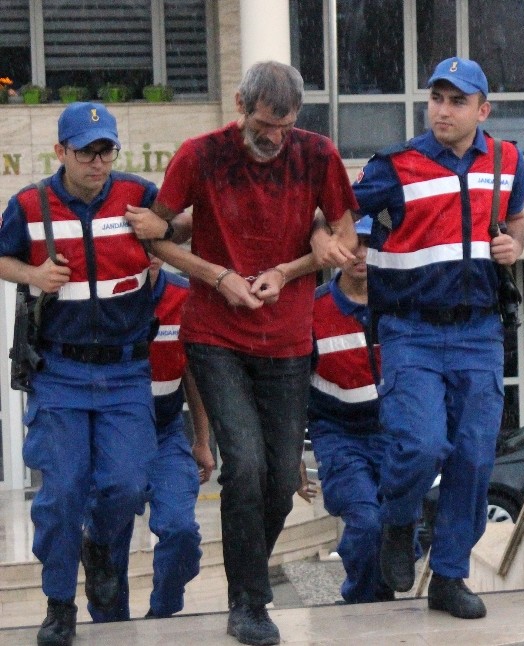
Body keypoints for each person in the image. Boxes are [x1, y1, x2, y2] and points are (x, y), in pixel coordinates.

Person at [127, 61, 358, 646]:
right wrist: (217, 274)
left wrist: (289, 270)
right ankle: (249, 601)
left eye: (282, 127)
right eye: (261, 125)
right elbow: (155, 233)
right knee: (247, 466)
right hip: (215, 335)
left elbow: (346, 237)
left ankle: (248, 576)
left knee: (281, 478)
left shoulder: (318, 154)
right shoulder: (201, 154)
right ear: (238, 105)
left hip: (287, 336)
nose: (271, 139)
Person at [351, 56, 524, 620]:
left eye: (457, 101)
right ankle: (398, 522)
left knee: (475, 459)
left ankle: (448, 576)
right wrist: (346, 241)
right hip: (410, 331)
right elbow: (341, 214)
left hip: (480, 331)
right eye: (437, 99)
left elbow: (517, 217)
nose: (444, 110)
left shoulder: (506, 160)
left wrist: (515, 245)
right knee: (420, 445)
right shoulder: (395, 166)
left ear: (483, 109)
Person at [0, 102, 160, 646]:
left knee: (127, 484)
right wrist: (32, 273)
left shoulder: (138, 196)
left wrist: (161, 231)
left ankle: (100, 545)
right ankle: (60, 602)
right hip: (60, 370)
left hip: (125, 370)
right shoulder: (29, 204)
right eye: (87, 152)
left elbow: (175, 236)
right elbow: (1, 257)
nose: (98, 163)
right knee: (62, 492)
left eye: (106, 151)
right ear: (61, 152)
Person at [84, 249, 216, 623]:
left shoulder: (184, 296)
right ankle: (110, 627)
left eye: (157, 245)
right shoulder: (101, 296)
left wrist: (202, 440)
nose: (149, 255)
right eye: (140, 246)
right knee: (109, 546)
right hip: (109, 437)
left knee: (181, 530)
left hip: (165, 433)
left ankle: (163, 610)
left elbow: (192, 374)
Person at [295, 215, 399, 604]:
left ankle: (380, 592)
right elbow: (293, 389)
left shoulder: (401, 303)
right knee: (367, 521)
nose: (360, 254)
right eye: (351, 244)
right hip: (339, 437)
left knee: (397, 524)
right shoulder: (312, 310)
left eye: (368, 244)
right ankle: (359, 599)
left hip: (395, 435)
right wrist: (292, 454)